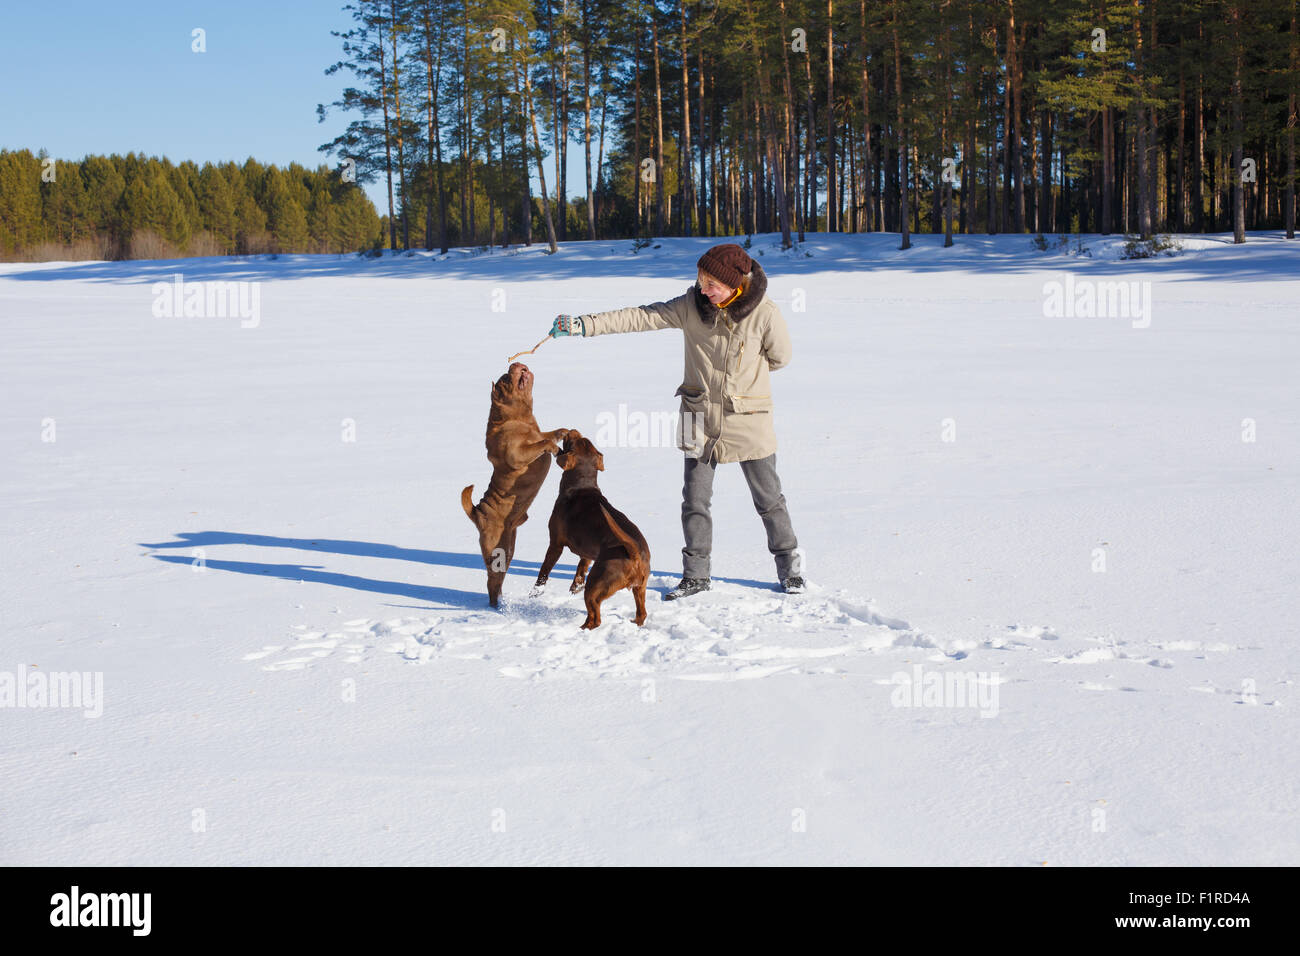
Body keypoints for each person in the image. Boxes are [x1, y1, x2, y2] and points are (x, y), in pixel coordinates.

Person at [549, 242, 806, 599]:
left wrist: (745, 384)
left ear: (735, 285)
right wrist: (583, 325)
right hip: (698, 418)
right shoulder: (690, 307)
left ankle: (790, 569)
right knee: (694, 501)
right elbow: (642, 316)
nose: (703, 289)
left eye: (711, 284)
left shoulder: (764, 313)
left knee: (769, 500)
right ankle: (696, 575)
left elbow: (780, 358)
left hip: (749, 419)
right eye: (700, 281)